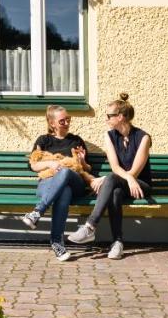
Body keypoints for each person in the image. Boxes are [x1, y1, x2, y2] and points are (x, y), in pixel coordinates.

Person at [67, 93, 151, 260]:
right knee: (115, 192)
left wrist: (111, 179)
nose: (106, 119)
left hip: (140, 185)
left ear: (120, 117)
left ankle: (90, 227)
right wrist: (119, 178)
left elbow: (134, 171)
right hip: (123, 183)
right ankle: (118, 243)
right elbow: (114, 166)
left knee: (111, 179)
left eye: (109, 116)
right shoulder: (109, 136)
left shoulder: (143, 138)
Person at [22, 105, 91, 262]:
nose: (66, 123)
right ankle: (57, 243)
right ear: (52, 123)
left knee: (65, 172)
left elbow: (87, 168)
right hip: (48, 182)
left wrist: (82, 161)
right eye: (62, 121)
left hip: (76, 183)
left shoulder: (76, 140)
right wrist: (50, 164)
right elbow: (33, 165)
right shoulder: (43, 140)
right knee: (64, 192)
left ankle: (38, 212)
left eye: (68, 119)